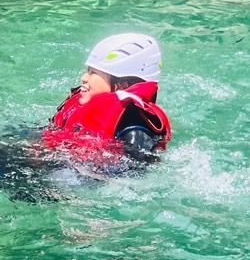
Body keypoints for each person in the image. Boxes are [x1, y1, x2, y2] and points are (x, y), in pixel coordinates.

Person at [42, 32, 172, 165]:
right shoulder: (82, 104)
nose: (84, 78)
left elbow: (136, 172)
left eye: (93, 73)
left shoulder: (134, 126)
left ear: (121, 86)